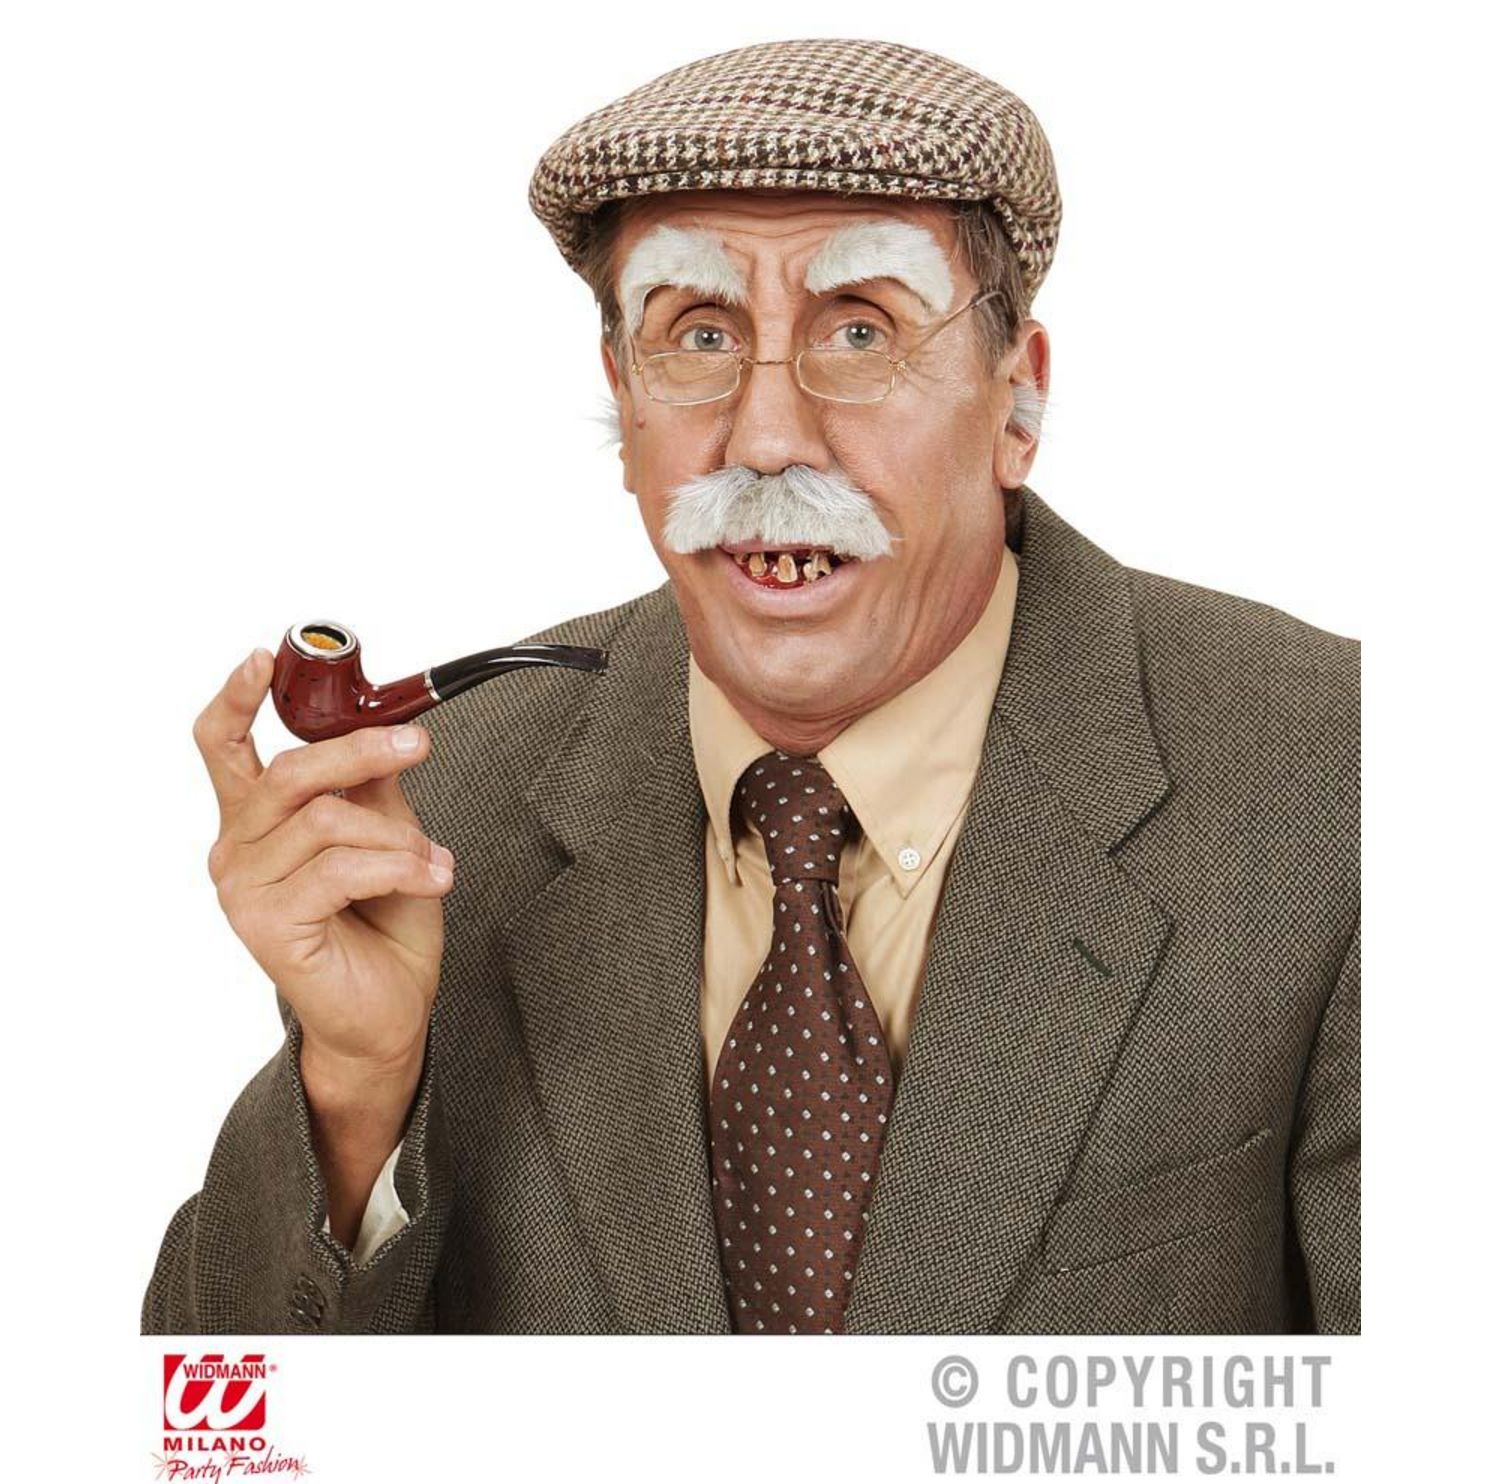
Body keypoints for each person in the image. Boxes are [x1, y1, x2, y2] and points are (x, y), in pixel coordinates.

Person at [142, 38, 1359, 1336]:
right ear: (624, 396)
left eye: (861, 331)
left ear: (1018, 403)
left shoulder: (1340, 777)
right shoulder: (446, 812)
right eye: (700, 334)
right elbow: (220, 1427)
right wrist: (354, 1091)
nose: (769, 438)